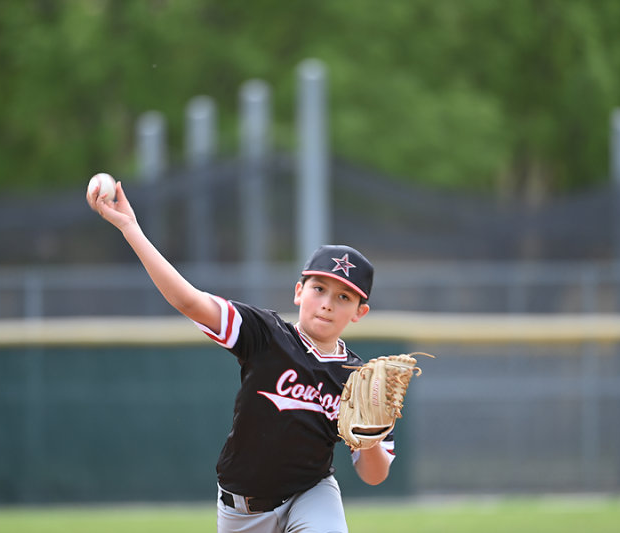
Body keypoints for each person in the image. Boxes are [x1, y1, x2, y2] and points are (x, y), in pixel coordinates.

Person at [87, 179, 395, 533]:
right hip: (243, 508)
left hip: (312, 493)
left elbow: (374, 475)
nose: (327, 303)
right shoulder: (265, 334)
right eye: (319, 288)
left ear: (359, 312)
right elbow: (189, 301)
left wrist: (370, 438)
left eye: (344, 297)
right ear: (299, 291)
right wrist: (130, 227)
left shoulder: (362, 380)